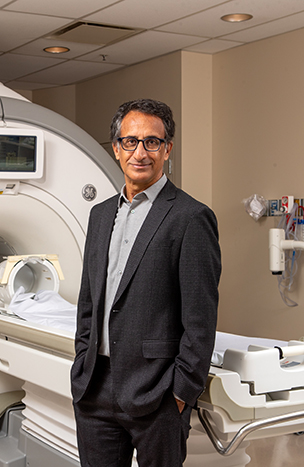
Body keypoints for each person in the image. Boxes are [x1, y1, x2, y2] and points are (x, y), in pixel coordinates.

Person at [71, 98, 221, 466]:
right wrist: (81, 362)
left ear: (167, 149)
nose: (141, 152)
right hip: (95, 387)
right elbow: (89, 300)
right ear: (116, 150)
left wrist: (181, 393)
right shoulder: (100, 215)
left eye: (151, 142)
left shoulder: (190, 217)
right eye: (130, 142)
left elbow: (200, 319)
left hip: (158, 391)